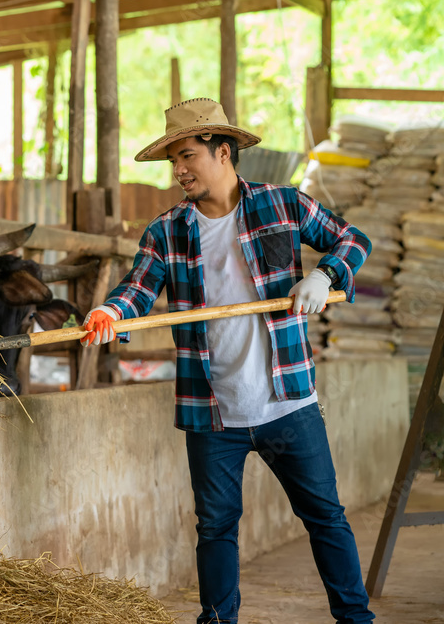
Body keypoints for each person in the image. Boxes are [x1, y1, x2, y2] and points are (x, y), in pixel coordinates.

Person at [80, 98, 375, 624]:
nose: (178, 171)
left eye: (187, 155)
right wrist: (108, 311)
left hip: (289, 402)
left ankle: (355, 620)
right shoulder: (166, 231)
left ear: (223, 152)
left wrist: (325, 275)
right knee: (215, 527)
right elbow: (137, 291)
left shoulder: (284, 204)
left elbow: (353, 239)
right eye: (173, 160)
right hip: (212, 411)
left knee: (326, 518)